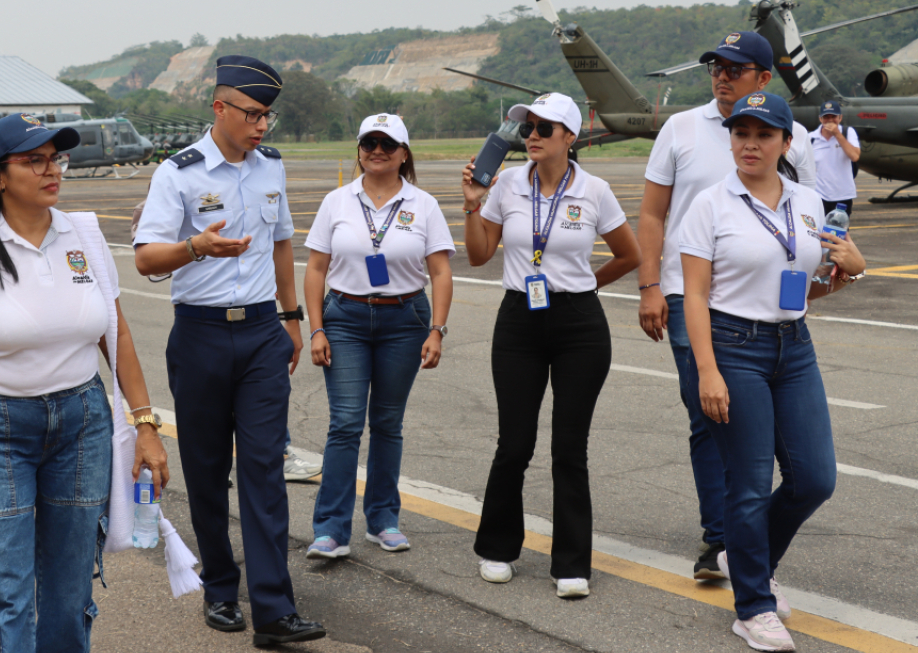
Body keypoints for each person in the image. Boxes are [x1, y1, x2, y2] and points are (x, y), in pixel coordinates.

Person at [0, 115, 169, 652]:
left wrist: (145, 425)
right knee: (4, 594)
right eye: (35, 160)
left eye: (56, 158)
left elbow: (115, 337)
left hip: (82, 425)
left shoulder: (85, 237)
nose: (52, 170)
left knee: (68, 592)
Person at [134, 56, 325, 646]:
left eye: (268, 115)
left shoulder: (271, 168)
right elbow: (145, 258)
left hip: (264, 333)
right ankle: (220, 588)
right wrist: (196, 247)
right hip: (201, 335)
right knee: (209, 468)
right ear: (219, 108)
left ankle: (272, 609)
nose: (261, 126)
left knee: (265, 467)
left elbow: (282, 244)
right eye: (251, 113)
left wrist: (291, 319)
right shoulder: (180, 173)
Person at [679, 91, 864, 651]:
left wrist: (850, 273)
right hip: (732, 347)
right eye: (741, 134)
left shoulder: (808, 201)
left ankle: (746, 558)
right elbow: (694, 294)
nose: (750, 144)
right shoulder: (711, 204)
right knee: (751, 483)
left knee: (815, 479)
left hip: (794, 345)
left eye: (763, 135)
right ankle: (753, 606)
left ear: (787, 142)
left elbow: (809, 284)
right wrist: (706, 371)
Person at [636, 31, 816, 578]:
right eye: (715, 66)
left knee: (767, 437)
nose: (721, 76)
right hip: (688, 291)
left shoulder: (795, 136)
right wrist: (649, 286)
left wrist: (833, 266)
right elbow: (651, 214)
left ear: (763, 78)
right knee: (708, 414)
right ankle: (721, 538)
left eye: (735, 69)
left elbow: (809, 214)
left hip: (764, 301)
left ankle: (742, 533)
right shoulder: (682, 127)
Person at [462, 93, 639, 599]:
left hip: (579, 324)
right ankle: (497, 549)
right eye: (527, 128)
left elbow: (630, 255)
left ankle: (571, 564)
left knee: (569, 448)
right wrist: (473, 206)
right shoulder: (508, 185)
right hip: (519, 320)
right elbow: (478, 255)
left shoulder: (595, 189)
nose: (531, 135)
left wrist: (584, 287)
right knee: (513, 444)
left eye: (543, 127)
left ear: (571, 135)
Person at [303, 113, 454, 559]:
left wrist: (437, 330)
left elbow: (441, 272)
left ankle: (383, 519)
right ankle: (331, 529)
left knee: (387, 423)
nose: (377, 150)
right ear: (359, 151)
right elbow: (314, 269)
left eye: (387, 144)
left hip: (404, 320)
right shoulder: (337, 202)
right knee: (346, 423)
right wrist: (315, 328)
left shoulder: (422, 204)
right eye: (368, 142)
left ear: (404, 154)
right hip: (345, 319)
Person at [808, 100, 860, 216]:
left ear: (840, 118)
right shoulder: (811, 138)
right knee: (818, 232)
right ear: (820, 119)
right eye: (826, 117)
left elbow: (855, 156)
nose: (830, 120)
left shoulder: (848, 132)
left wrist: (837, 134)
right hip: (818, 195)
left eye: (834, 116)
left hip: (843, 196)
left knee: (839, 232)